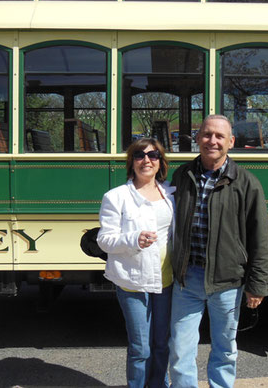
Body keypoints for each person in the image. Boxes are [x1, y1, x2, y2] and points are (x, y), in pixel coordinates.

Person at [168, 115, 268, 388]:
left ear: (231, 142)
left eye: (219, 136)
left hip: (227, 281)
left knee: (225, 349)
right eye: (206, 135)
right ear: (198, 138)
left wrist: (257, 284)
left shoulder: (247, 183)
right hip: (186, 279)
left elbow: (259, 239)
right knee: (180, 349)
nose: (212, 141)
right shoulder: (182, 175)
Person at [97, 137, 175, 388]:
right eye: (140, 155)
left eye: (153, 155)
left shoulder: (171, 194)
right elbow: (105, 240)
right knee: (141, 347)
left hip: (166, 281)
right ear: (131, 161)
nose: (146, 160)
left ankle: (159, 385)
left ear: (160, 162)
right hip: (132, 282)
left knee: (162, 344)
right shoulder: (115, 197)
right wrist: (134, 239)